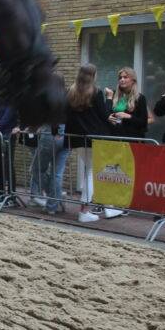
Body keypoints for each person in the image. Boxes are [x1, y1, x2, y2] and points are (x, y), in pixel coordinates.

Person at [65, 64, 122, 222]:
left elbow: (66, 114)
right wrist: (109, 98)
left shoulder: (70, 92)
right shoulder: (95, 92)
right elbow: (104, 114)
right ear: (93, 76)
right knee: (91, 173)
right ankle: (84, 211)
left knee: (89, 171)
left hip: (77, 138)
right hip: (93, 138)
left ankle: (100, 208)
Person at [104, 67, 148, 138]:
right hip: (113, 137)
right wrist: (109, 98)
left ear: (133, 81)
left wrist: (129, 116)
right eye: (120, 78)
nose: (122, 79)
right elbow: (105, 115)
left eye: (125, 77)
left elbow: (143, 123)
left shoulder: (140, 98)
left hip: (131, 140)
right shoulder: (113, 94)